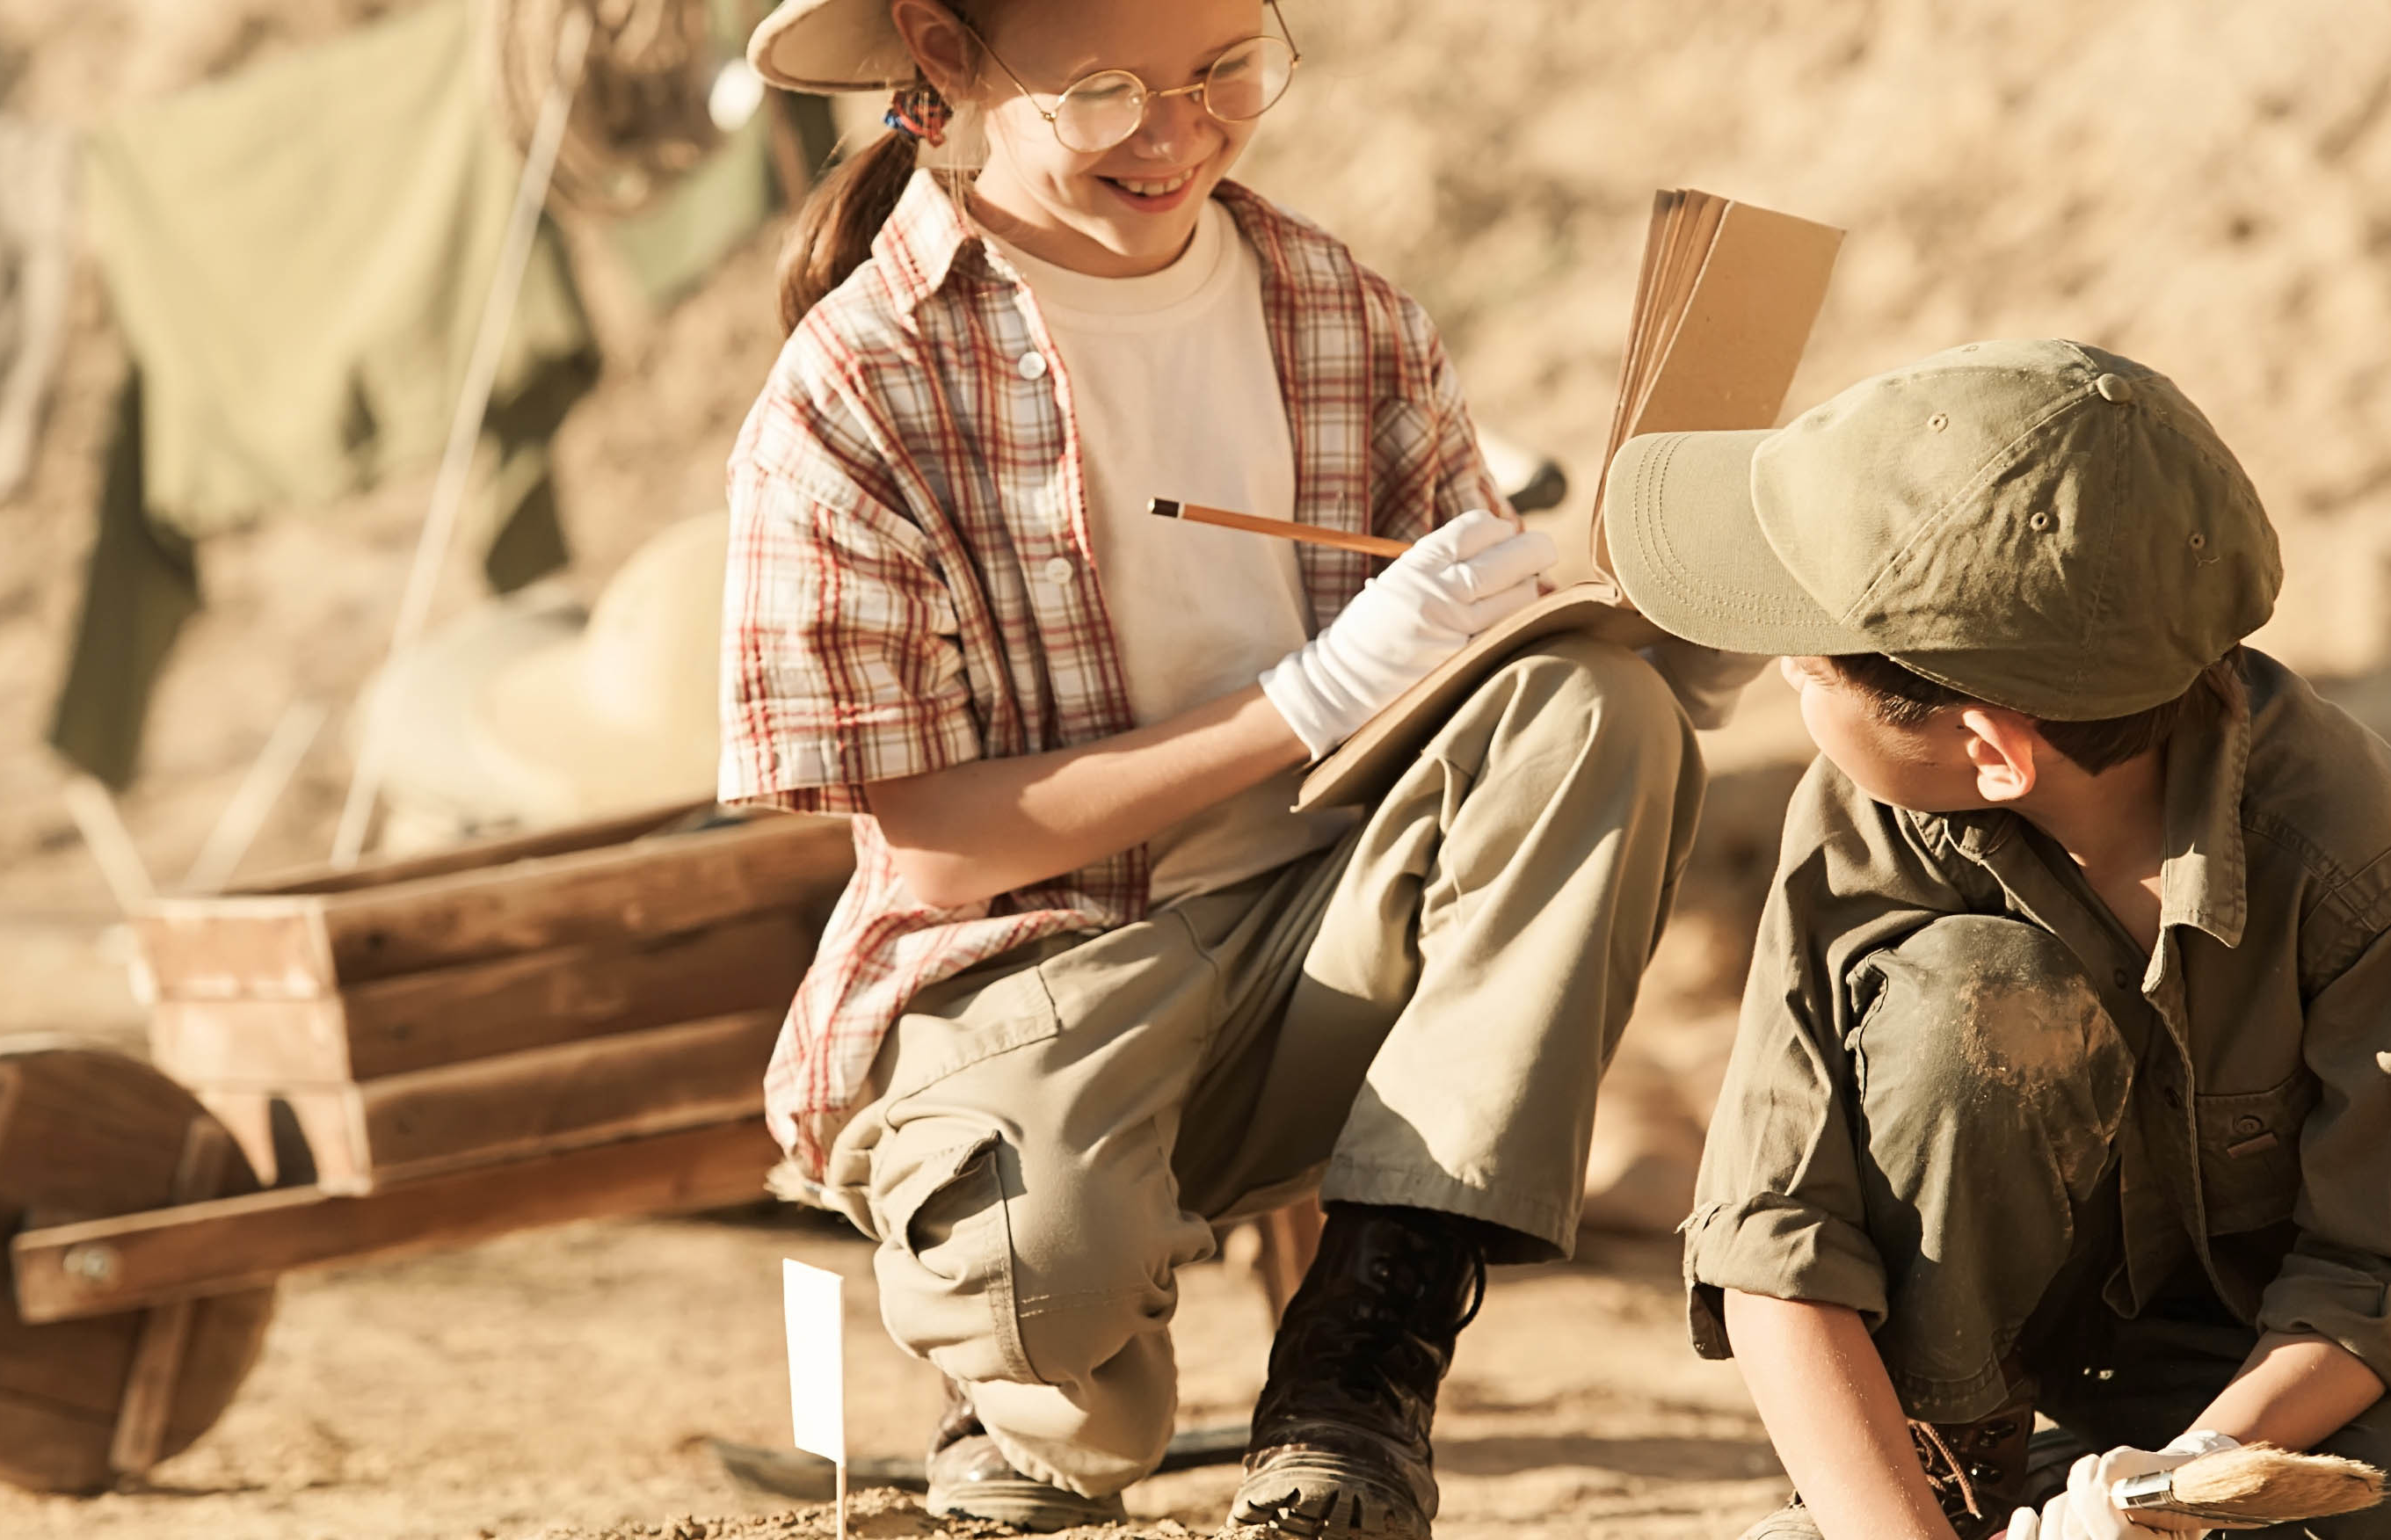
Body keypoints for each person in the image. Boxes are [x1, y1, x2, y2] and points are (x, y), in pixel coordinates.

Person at [719, 1, 1705, 1535]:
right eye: (1107, 91)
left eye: (1225, 72)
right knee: (1037, 1288)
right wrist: (1304, 696)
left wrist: (1619, 613)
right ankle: (1030, 1412)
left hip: (1329, 950)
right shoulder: (855, 392)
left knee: (1601, 715)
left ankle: (1357, 1372)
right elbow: (936, 852)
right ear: (946, 45)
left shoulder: (1343, 312)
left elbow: (1495, 722)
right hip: (1037, 972)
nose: (1178, 134)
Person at [1595, 340, 2391, 1540]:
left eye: (1807, 670)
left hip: (2268, 1395)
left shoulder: (2369, 868)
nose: (1789, 684)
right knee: (1976, 997)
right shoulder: (1866, 812)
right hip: (1959, 1415)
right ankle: (1949, 1483)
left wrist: (2170, 1492)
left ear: (1995, 752)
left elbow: (2385, 1276)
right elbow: (1775, 1244)